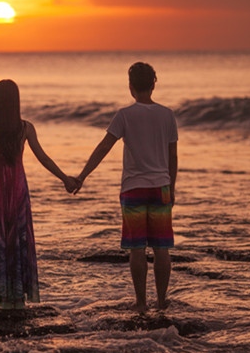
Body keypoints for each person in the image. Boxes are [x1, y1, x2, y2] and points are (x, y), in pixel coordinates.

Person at [72, 62, 178, 313]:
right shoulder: (167, 115)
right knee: (162, 249)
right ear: (154, 84)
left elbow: (103, 147)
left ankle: (141, 303)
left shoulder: (125, 115)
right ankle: (162, 302)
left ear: (131, 87)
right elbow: (173, 156)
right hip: (161, 187)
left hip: (133, 189)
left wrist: (82, 175)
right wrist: (171, 187)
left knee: (137, 249)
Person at [0, 79, 79, 310]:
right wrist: (65, 178)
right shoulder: (26, 128)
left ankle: (2, 297)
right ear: (16, 102)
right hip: (18, 189)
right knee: (19, 238)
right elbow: (43, 158)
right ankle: (18, 297)